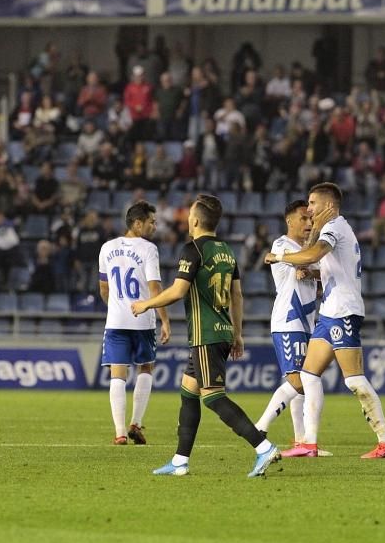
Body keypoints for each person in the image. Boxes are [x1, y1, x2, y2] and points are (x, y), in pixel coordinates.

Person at [132, 194, 280, 478]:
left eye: (189, 214)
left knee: (213, 397)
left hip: (206, 333)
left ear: (196, 220)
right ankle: (179, 461)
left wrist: (145, 304)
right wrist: (237, 333)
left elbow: (177, 291)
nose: (187, 219)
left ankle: (263, 447)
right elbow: (237, 295)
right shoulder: (227, 250)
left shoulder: (193, 250)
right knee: (189, 391)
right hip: (222, 330)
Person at [264, 182, 385, 459]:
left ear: (329, 206)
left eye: (313, 204)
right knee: (308, 375)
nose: (309, 209)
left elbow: (314, 254)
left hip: (343, 311)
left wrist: (280, 257)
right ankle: (308, 443)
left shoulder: (335, 227)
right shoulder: (333, 229)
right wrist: (311, 274)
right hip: (329, 312)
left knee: (354, 380)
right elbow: (328, 269)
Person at [253, 200, 332, 456]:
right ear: (289, 221)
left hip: (306, 322)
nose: (309, 223)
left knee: (302, 382)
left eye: (311, 219)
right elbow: (301, 262)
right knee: (299, 381)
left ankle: (301, 442)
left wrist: (311, 273)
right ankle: (260, 427)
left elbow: (321, 271)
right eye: (304, 219)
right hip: (289, 321)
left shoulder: (307, 250)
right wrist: (307, 265)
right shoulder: (282, 245)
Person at [96, 202, 171, 445]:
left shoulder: (107, 248)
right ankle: (135, 424)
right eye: (151, 222)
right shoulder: (149, 249)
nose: (154, 226)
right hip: (143, 321)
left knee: (117, 374)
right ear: (137, 223)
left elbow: (104, 288)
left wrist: (116, 307)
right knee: (146, 368)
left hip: (116, 321)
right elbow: (155, 288)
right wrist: (165, 320)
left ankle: (119, 433)